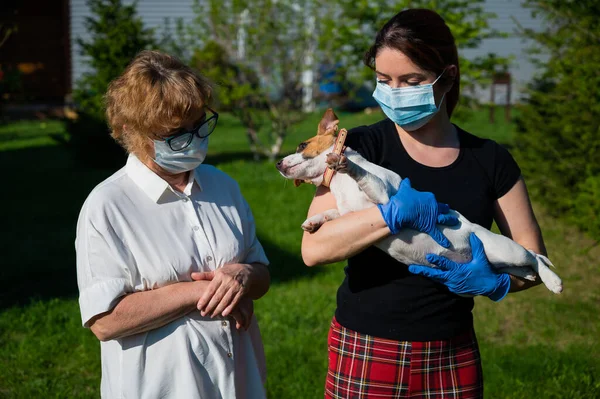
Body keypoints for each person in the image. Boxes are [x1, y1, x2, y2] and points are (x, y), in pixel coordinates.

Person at [301, 9, 547, 399]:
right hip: (368, 348)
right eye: (384, 81)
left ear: (447, 77)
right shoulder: (358, 148)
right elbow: (314, 248)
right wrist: (387, 214)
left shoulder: (490, 160)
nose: (395, 91)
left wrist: (499, 284)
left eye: (411, 80)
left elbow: (534, 263)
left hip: (452, 351)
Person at [75, 50, 271, 399]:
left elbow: (261, 274)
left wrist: (243, 276)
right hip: (161, 387)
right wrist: (202, 292)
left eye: (199, 124)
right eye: (176, 133)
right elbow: (105, 321)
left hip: (237, 380)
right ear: (132, 133)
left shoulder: (222, 186)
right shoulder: (108, 206)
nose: (195, 139)